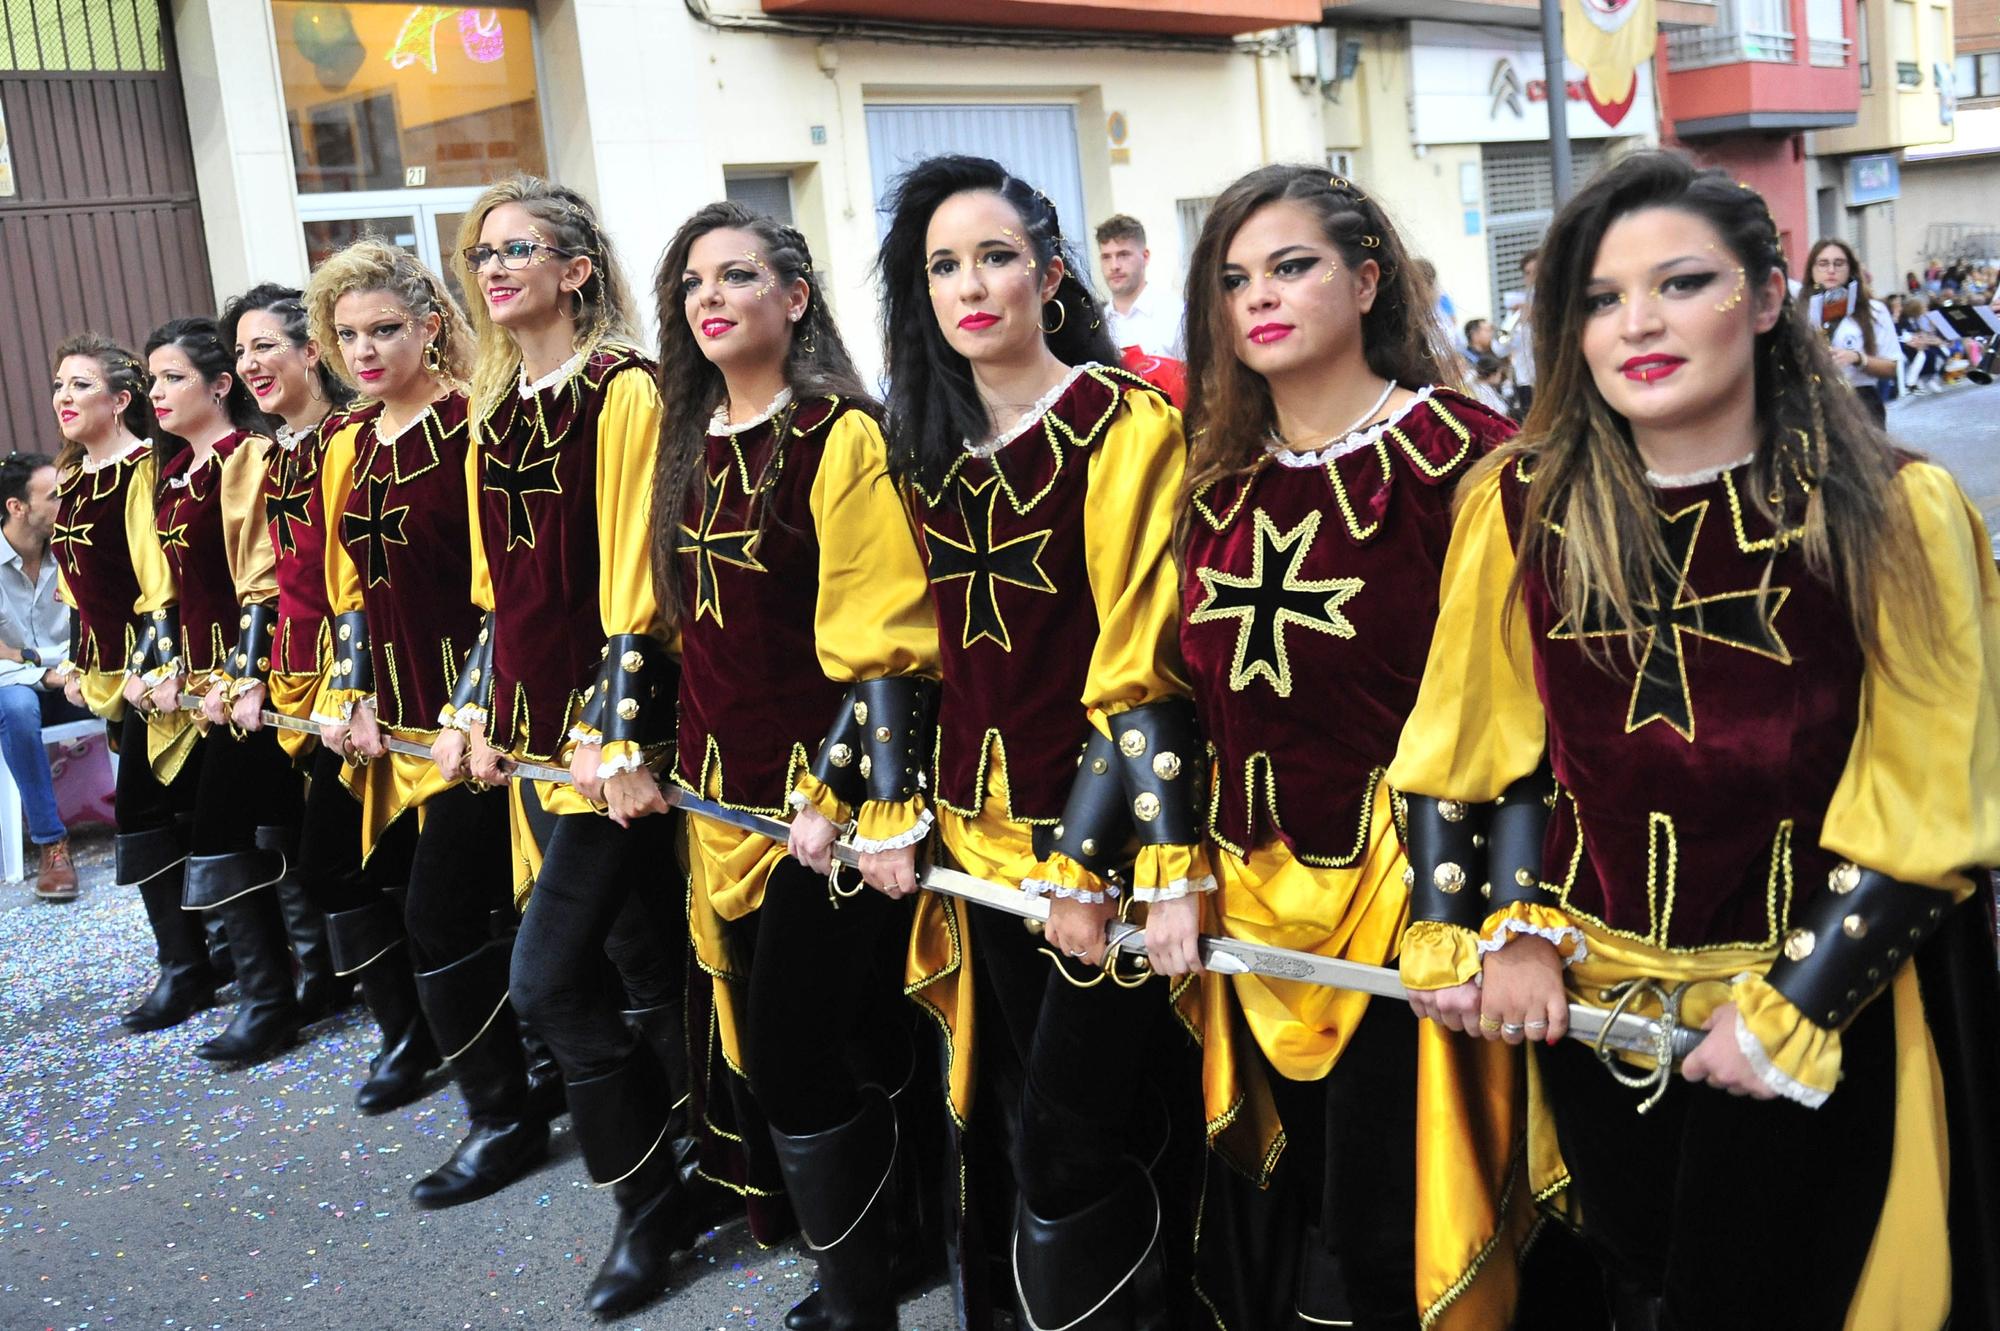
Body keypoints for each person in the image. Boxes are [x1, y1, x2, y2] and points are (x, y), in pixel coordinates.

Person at [1391, 150, 2000, 1328]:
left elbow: (1929, 791)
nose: (1636, 325)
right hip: (1583, 1011)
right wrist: (1498, 932)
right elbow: (1478, 748)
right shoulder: (1517, 504)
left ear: (1765, 298)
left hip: (1810, 1025)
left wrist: (1792, 1009)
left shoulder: (1889, 507)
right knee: (1629, 1290)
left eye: (1679, 284)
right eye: (1600, 299)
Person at [1149, 163, 1527, 1331]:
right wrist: (1174, 865)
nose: (1257, 296)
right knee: (1291, 1204)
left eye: (1291, 265)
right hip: (1244, 909)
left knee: (1388, 1222)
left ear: (1367, 281)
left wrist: (1469, 915)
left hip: (1407, 906)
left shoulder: (1466, 460)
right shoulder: (1208, 479)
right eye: (1232, 278)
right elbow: (1164, 688)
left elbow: (1516, 718)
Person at [878, 154, 1205, 1328]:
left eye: (996, 256)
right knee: (1015, 1109)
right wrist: (869, 797)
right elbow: (903, 645)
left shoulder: (1124, 428)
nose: (971, 285)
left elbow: (1145, 662)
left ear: (1051, 274)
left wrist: (1094, 858)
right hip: (970, 841)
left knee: (1081, 1128)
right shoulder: (918, 443)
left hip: (1099, 841)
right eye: (942, 266)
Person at [652, 199, 941, 1331]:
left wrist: (845, 797)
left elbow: (882, 635)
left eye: (734, 276)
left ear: (795, 296)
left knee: (795, 1048)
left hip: (821, 806)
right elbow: (684, 632)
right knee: (846, 1036)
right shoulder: (685, 444)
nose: (709, 299)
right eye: (691, 284)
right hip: (717, 802)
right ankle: (897, 1242)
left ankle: (863, 1290)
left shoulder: (838, 436)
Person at [437, 175, 692, 1317]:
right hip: (536, 742)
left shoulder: (621, 390)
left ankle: (649, 1210)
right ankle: (703, 1165)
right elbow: (501, 593)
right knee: (641, 959)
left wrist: (614, 724)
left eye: (519, 249)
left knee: (546, 979)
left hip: (613, 739)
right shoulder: (498, 405)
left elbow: (638, 569)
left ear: (576, 270)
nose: (494, 271)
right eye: (481, 253)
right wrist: (476, 706)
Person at [306, 239, 546, 1209]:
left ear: (431, 325)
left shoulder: (476, 424)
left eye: (383, 330)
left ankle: (503, 1117)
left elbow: (510, 581)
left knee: (447, 911)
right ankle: (518, 1080)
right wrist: (349, 688)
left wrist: (477, 703)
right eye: (345, 334)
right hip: (391, 728)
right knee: (437, 902)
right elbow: (347, 587)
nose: (362, 351)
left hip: (484, 721)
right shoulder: (347, 443)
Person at [221, 283, 432, 1111]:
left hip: (378, 683)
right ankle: (408, 1030)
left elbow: (363, 581)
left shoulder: (353, 436)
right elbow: (275, 581)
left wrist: (358, 685)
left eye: (267, 344)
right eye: (240, 351)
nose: (251, 364)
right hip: (301, 686)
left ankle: (436, 1036)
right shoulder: (274, 453)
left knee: (372, 861)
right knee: (339, 865)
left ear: (313, 352)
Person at [139, 315, 320, 1065]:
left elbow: (262, 580)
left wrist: (247, 674)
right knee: (246, 828)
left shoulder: (243, 459)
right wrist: (165, 664)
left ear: (220, 386)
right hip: (201, 692)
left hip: (252, 686)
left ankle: (273, 997)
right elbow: (175, 594)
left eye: (173, 376)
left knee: (237, 830)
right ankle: (292, 982)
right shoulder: (175, 474)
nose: (157, 392)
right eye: (151, 379)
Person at [49, 335, 214, 1031]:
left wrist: (155, 665)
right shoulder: (71, 478)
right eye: (59, 384)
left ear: (121, 400)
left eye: (80, 385)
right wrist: (76, 667)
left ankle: (189, 968)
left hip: (157, 672)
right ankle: (204, 957)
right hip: (107, 678)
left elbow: (160, 583)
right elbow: (77, 592)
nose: (63, 397)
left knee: (150, 815)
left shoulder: (143, 470)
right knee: (167, 814)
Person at [0, 451, 90, 901]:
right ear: (18, 507)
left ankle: (154, 822)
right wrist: (48, 671)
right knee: (15, 706)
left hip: (78, 675)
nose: (67, 502)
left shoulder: (76, 546)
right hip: (19, 688)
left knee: (135, 694)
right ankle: (51, 843)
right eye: (55, 496)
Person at [1807, 237, 1899, 426]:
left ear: (1850, 269)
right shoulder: (1800, 309)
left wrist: (1858, 358)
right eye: (1823, 264)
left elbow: (1891, 367)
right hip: (1812, 403)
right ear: (1812, 270)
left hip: (1860, 401)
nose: (1831, 270)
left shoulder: (1874, 310)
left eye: (1838, 264)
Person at [1096, 213, 1186, 359]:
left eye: (1123, 255)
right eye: (1106, 257)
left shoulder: (1175, 314)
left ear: (1145, 256)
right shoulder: (1097, 324)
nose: (1114, 266)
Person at [1502, 248, 1540, 416]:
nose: (1532, 278)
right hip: (1526, 380)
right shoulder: (1521, 303)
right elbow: (1499, 347)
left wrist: (1537, 316)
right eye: (1527, 273)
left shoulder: (1558, 301)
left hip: (1549, 378)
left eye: (1536, 272)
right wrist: (1516, 321)